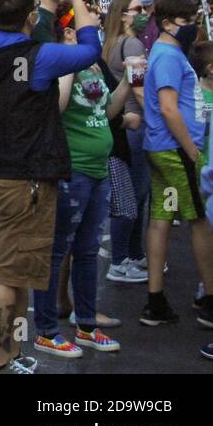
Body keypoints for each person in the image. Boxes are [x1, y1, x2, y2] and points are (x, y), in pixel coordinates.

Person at [0, 0, 101, 373]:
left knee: (10, 273)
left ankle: (14, 352)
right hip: (24, 184)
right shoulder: (38, 57)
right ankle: (1, 358)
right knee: (6, 276)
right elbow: (91, 48)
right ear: (30, 15)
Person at [31, 28, 131, 359]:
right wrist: (68, 67)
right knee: (57, 251)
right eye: (73, 27)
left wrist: (129, 82)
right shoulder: (59, 65)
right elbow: (57, 108)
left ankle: (86, 325)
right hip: (72, 170)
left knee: (87, 252)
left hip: (99, 169)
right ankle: (46, 331)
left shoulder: (94, 65)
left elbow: (107, 112)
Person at [141, 0, 213, 329]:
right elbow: (169, 106)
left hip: (164, 147)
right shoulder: (169, 57)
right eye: (187, 22)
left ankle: (155, 300)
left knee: (161, 217)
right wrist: (190, 149)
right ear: (168, 23)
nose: (193, 27)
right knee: (201, 220)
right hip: (174, 148)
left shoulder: (166, 53)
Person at [103, 0, 151, 284]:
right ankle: (121, 259)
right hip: (135, 124)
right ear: (123, 15)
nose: (144, 13)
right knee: (134, 197)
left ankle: (132, 254)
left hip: (122, 126)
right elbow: (139, 87)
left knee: (131, 196)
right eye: (138, 9)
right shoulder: (132, 43)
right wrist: (157, 120)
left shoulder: (111, 42)